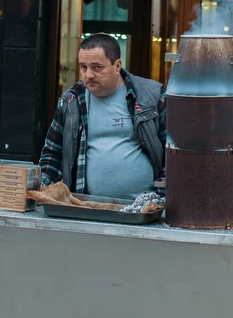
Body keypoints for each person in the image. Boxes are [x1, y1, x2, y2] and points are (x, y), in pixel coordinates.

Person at [40, 33, 166, 198]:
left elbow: (174, 154)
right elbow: (52, 155)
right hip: (85, 207)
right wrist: (40, 187)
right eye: (83, 67)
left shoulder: (151, 97)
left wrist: (162, 200)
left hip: (145, 211)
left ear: (117, 66)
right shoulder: (71, 102)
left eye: (97, 67)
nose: (89, 75)